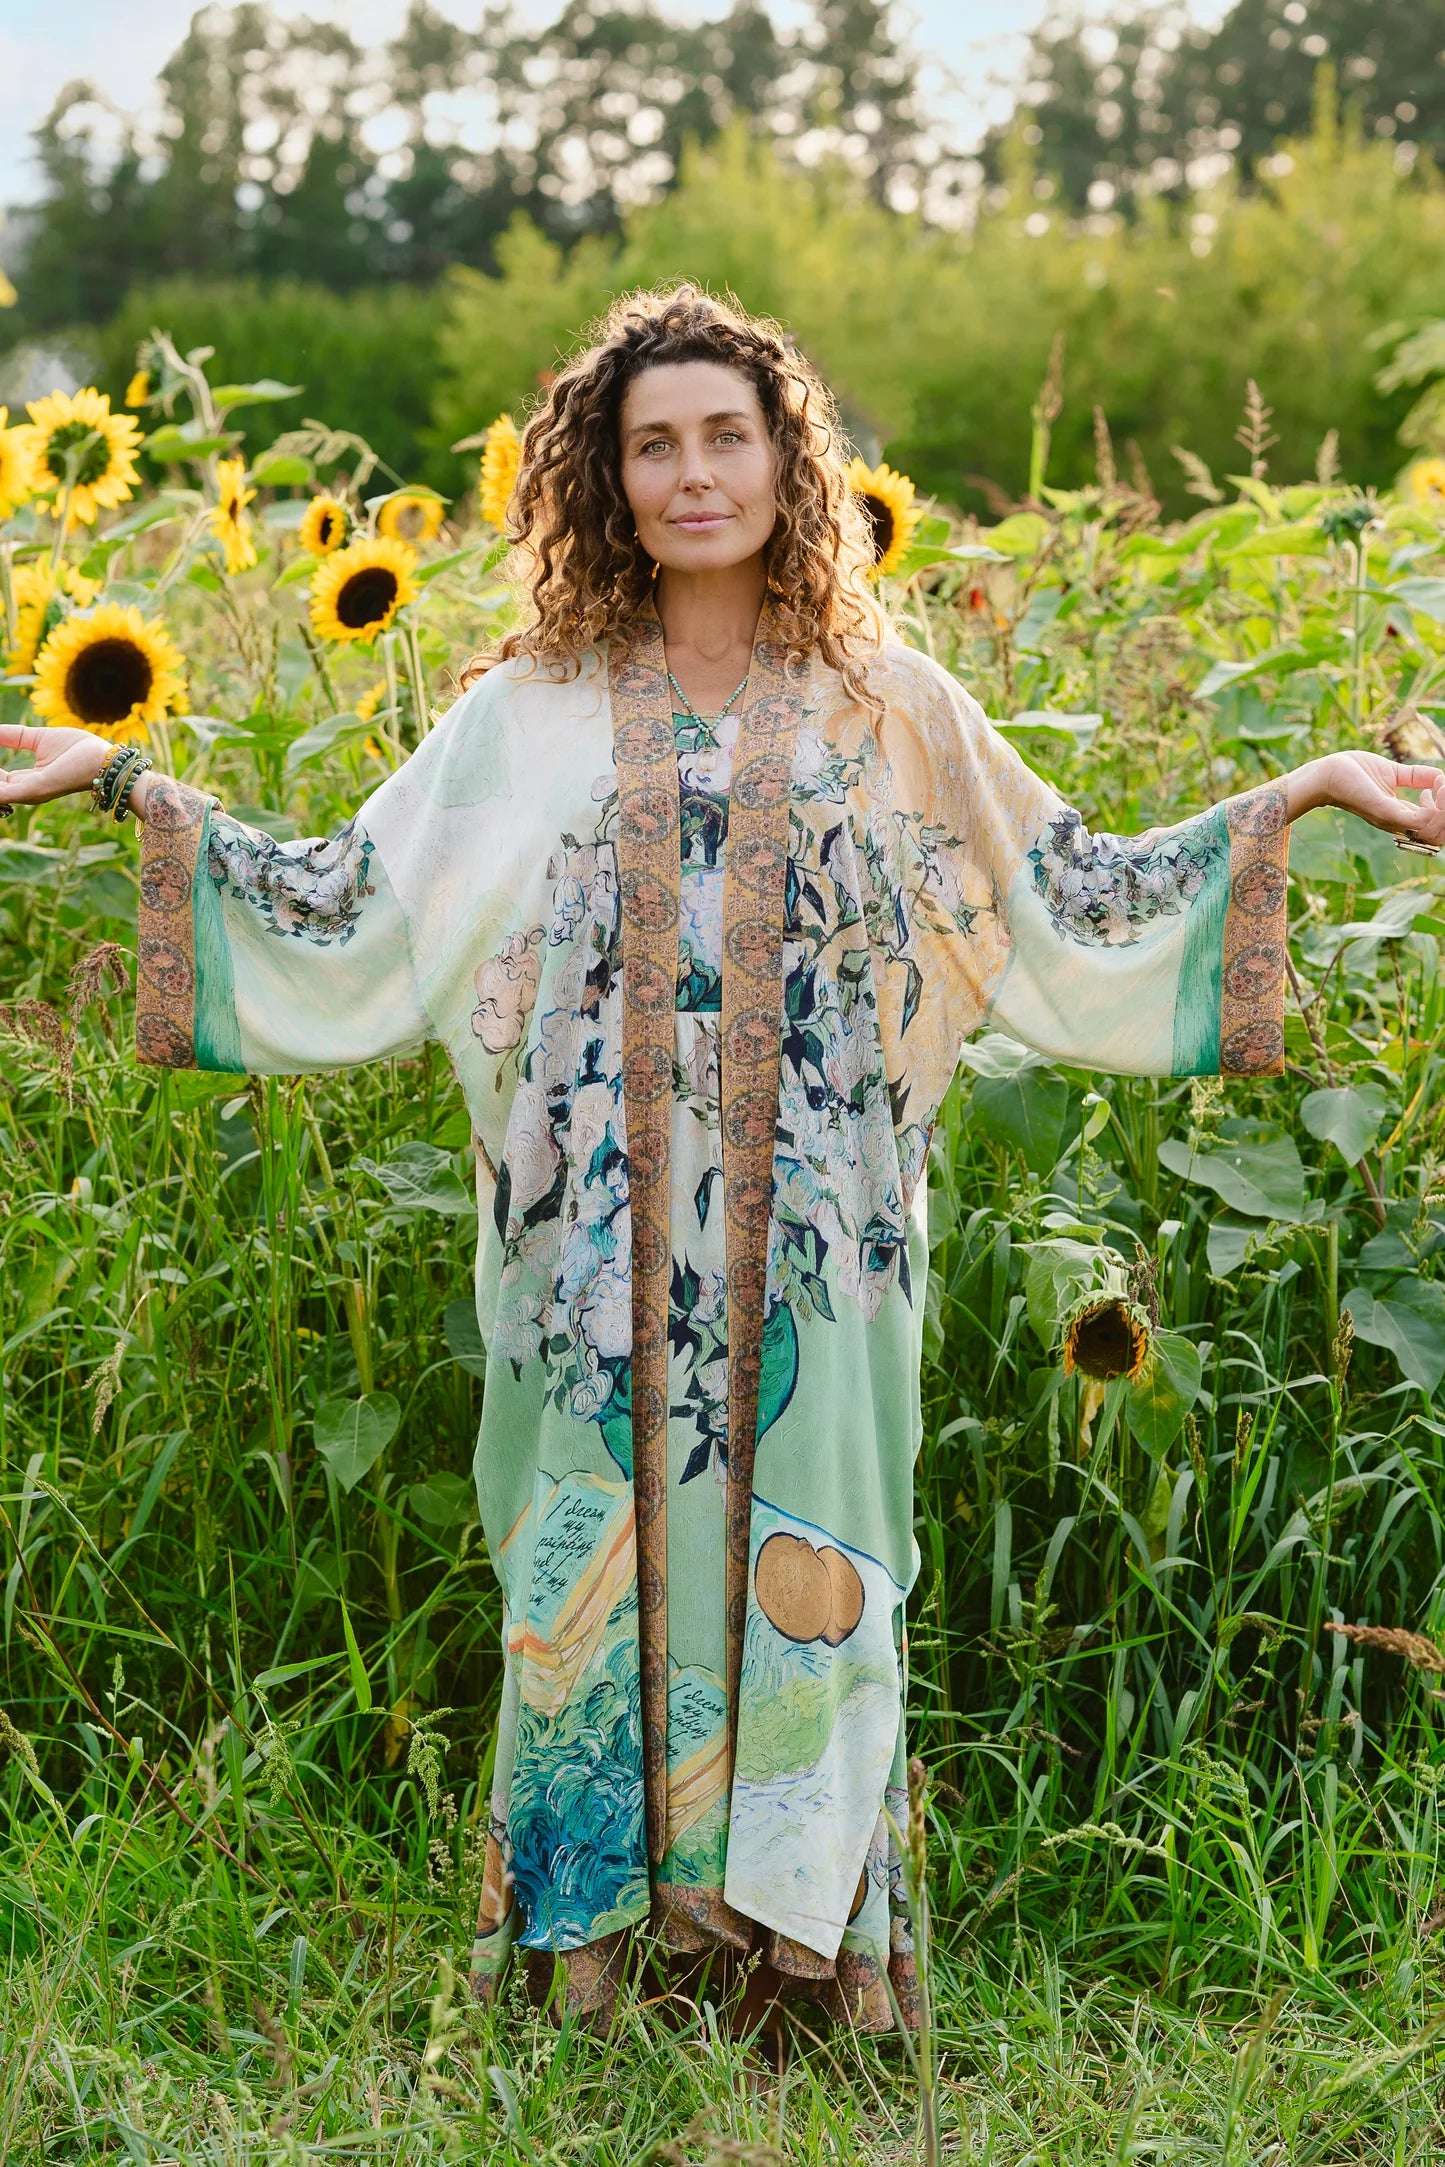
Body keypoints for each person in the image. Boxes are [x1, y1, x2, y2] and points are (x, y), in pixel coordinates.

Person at [2, 286, 1442, 2040]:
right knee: (584, 1541)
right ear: (603, 479)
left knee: (815, 1552)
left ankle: (805, 1958)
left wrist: (1300, 791)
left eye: (726, 438)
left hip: (824, 1249)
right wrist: (125, 787)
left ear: (786, 460)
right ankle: (588, 1957)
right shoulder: (524, 712)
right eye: (652, 445)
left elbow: (1072, 889)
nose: (693, 475)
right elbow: (347, 898)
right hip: (581, 1250)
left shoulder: (888, 703)